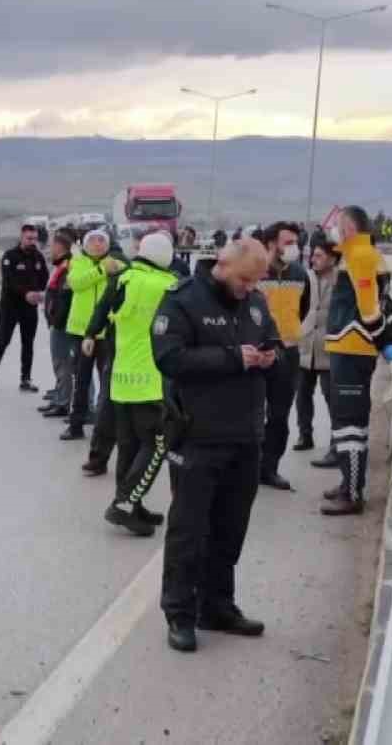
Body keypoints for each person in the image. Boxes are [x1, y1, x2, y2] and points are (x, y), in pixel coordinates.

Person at [152, 240, 279, 653]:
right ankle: (180, 613)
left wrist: (270, 357)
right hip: (197, 434)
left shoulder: (256, 302)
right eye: (245, 279)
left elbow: (272, 340)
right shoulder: (183, 300)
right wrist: (232, 358)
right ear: (221, 265)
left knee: (230, 528)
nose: (249, 288)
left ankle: (217, 606)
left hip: (245, 435)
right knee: (189, 530)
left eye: (256, 280)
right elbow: (169, 358)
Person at [89, 231, 179, 536]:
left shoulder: (123, 279)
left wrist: (91, 334)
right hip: (151, 380)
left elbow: (100, 311)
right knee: (156, 445)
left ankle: (132, 506)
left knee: (128, 446)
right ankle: (124, 504)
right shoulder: (168, 286)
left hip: (121, 378)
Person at [320, 206, 392, 516]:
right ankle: (347, 483)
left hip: (353, 347)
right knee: (346, 421)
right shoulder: (359, 253)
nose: (335, 230)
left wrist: (384, 342)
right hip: (348, 346)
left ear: (349, 227)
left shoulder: (361, 256)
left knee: (349, 422)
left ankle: (352, 494)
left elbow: (369, 309)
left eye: (338, 225)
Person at [254, 221, 313, 491]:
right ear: (270, 244)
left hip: (287, 353)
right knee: (249, 414)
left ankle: (269, 468)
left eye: (295, 242)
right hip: (255, 352)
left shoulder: (301, 273)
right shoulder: (254, 273)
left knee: (279, 415)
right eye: (287, 242)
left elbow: (303, 308)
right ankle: (246, 467)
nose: (294, 248)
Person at [61, 227, 124, 449]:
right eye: (93, 241)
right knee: (81, 380)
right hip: (81, 333)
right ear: (85, 245)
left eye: (102, 240)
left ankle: (107, 425)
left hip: (106, 333)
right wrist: (100, 271)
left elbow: (127, 279)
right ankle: (76, 424)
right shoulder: (78, 262)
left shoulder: (117, 263)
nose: (97, 244)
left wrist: (113, 268)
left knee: (108, 381)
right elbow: (76, 283)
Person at [0, 224, 50, 392]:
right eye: (29, 238)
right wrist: (26, 293)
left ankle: (26, 379)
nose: (32, 242)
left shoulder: (38, 257)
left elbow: (45, 279)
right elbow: (9, 281)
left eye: (35, 238)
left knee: (28, 343)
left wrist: (39, 293)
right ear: (21, 237)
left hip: (30, 307)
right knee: (3, 340)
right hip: (10, 306)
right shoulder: (10, 256)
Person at [298, 239, 340, 459]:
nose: (313, 259)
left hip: (329, 346)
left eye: (319, 255)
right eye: (312, 255)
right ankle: (305, 435)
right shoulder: (307, 278)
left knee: (331, 397)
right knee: (302, 394)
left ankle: (336, 444)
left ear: (332, 258)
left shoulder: (341, 279)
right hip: (306, 344)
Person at [40, 230, 78, 418]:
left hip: (63, 325)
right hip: (58, 323)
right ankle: (59, 398)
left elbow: (64, 299)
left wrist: (57, 319)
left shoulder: (68, 267)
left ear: (60, 247)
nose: (50, 248)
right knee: (59, 364)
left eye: (52, 245)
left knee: (63, 364)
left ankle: (63, 403)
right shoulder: (60, 266)